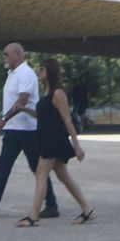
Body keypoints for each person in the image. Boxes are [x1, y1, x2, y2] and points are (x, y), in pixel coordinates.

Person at [0, 43, 59, 219]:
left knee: (38, 169)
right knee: (3, 167)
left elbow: (22, 100)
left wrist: (3, 119)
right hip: (14, 130)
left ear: (17, 54)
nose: (4, 57)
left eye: (6, 54)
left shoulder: (25, 74)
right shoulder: (12, 74)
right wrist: (7, 122)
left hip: (27, 130)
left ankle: (52, 205)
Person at [18, 59, 95, 227]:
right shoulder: (47, 92)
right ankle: (86, 208)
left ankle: (33, 216)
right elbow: (43, 116)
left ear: (50, 71)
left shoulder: (58, 93)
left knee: (41, 173)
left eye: (42, 69)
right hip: (46, 137)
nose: (39, 72)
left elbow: (67, 120)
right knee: (63, 176)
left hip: (55, 139)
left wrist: (76, 145)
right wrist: (25, 110)